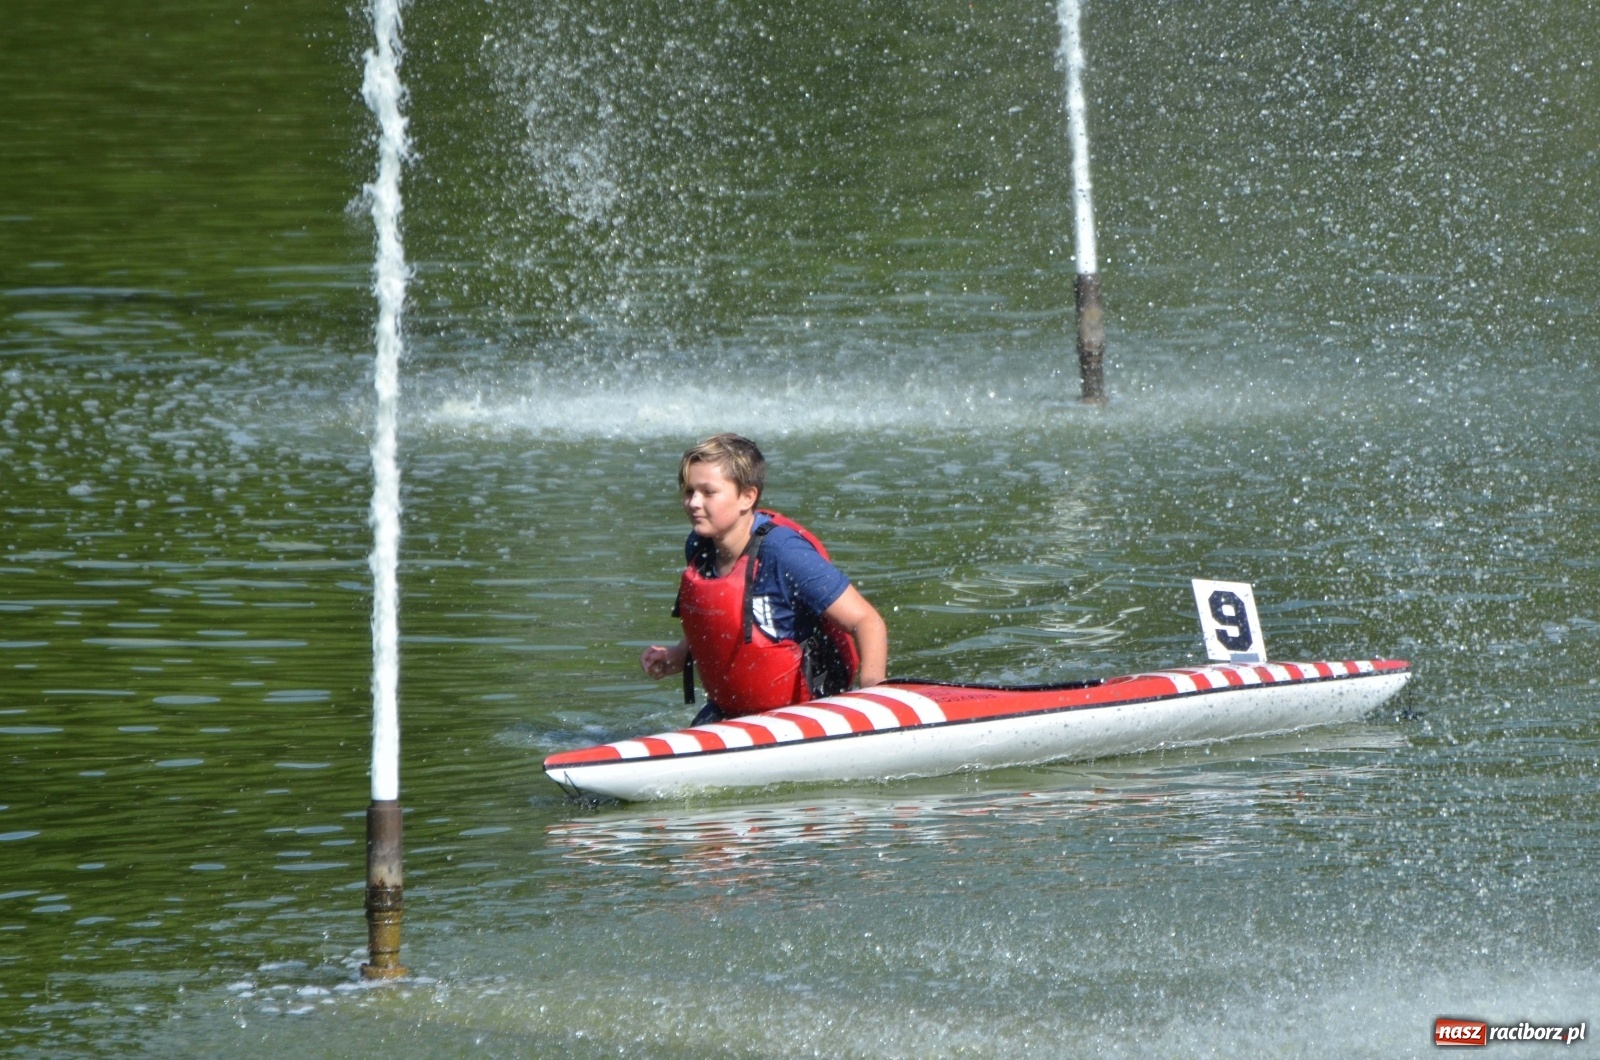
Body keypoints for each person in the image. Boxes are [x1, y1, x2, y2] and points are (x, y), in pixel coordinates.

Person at [640, 433, 888, 724]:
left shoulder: (783, 552)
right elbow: (725, 614)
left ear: (747, 496)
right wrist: (680, 654)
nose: (694, 502)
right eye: (688, 491)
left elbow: (867, 621)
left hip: (807, 716)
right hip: (731, 715)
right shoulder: (699, 546)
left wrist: (872, 694)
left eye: (708, 492)